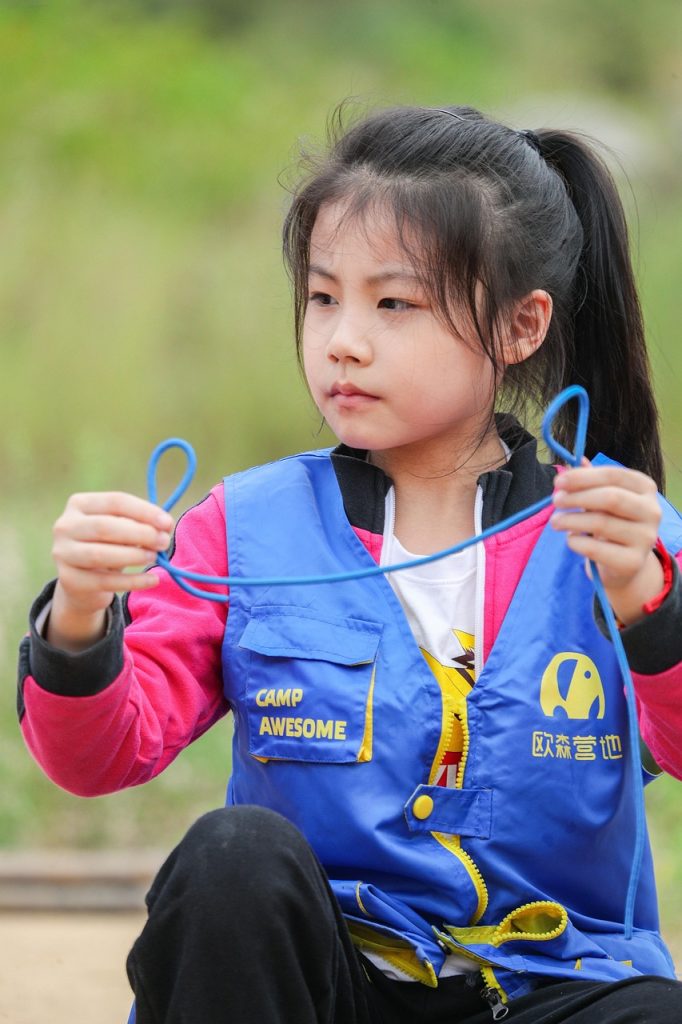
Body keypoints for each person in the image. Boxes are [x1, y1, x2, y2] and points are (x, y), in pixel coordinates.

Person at [17, 104, 682, 1023]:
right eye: (324, 296)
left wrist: (651, 611)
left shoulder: (616, 528)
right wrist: (82, 619)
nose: (343, 340)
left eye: (394, 303)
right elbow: (99, 759)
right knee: (231, 857)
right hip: (327, 989)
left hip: (552, 985)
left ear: (522, 327)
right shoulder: (242, 528)